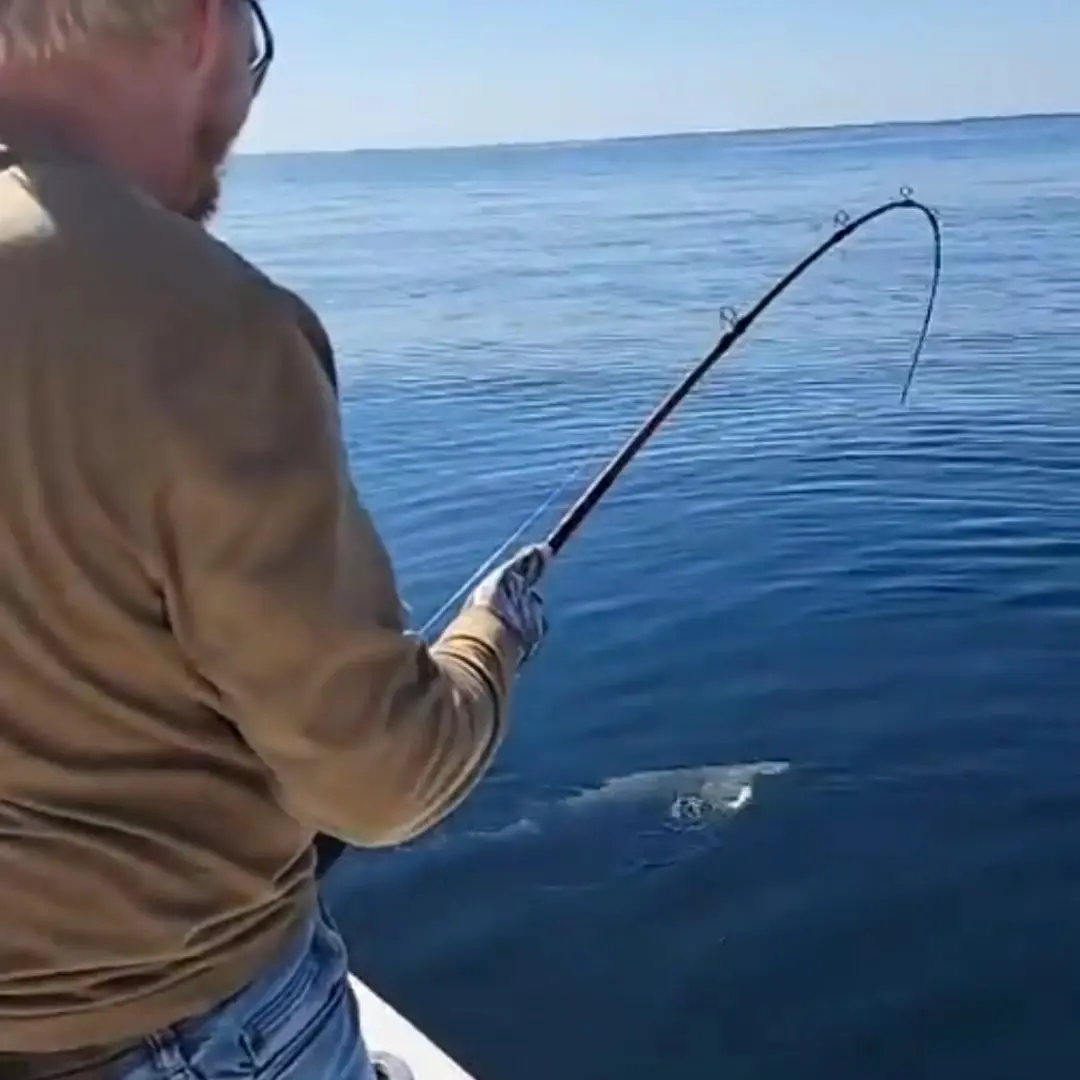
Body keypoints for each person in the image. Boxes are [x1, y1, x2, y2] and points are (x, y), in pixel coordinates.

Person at [0, 1, 548, 1078]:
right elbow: (382, 781)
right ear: (203, 26)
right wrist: (493, 641)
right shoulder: (201, 323)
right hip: (179, 1034)